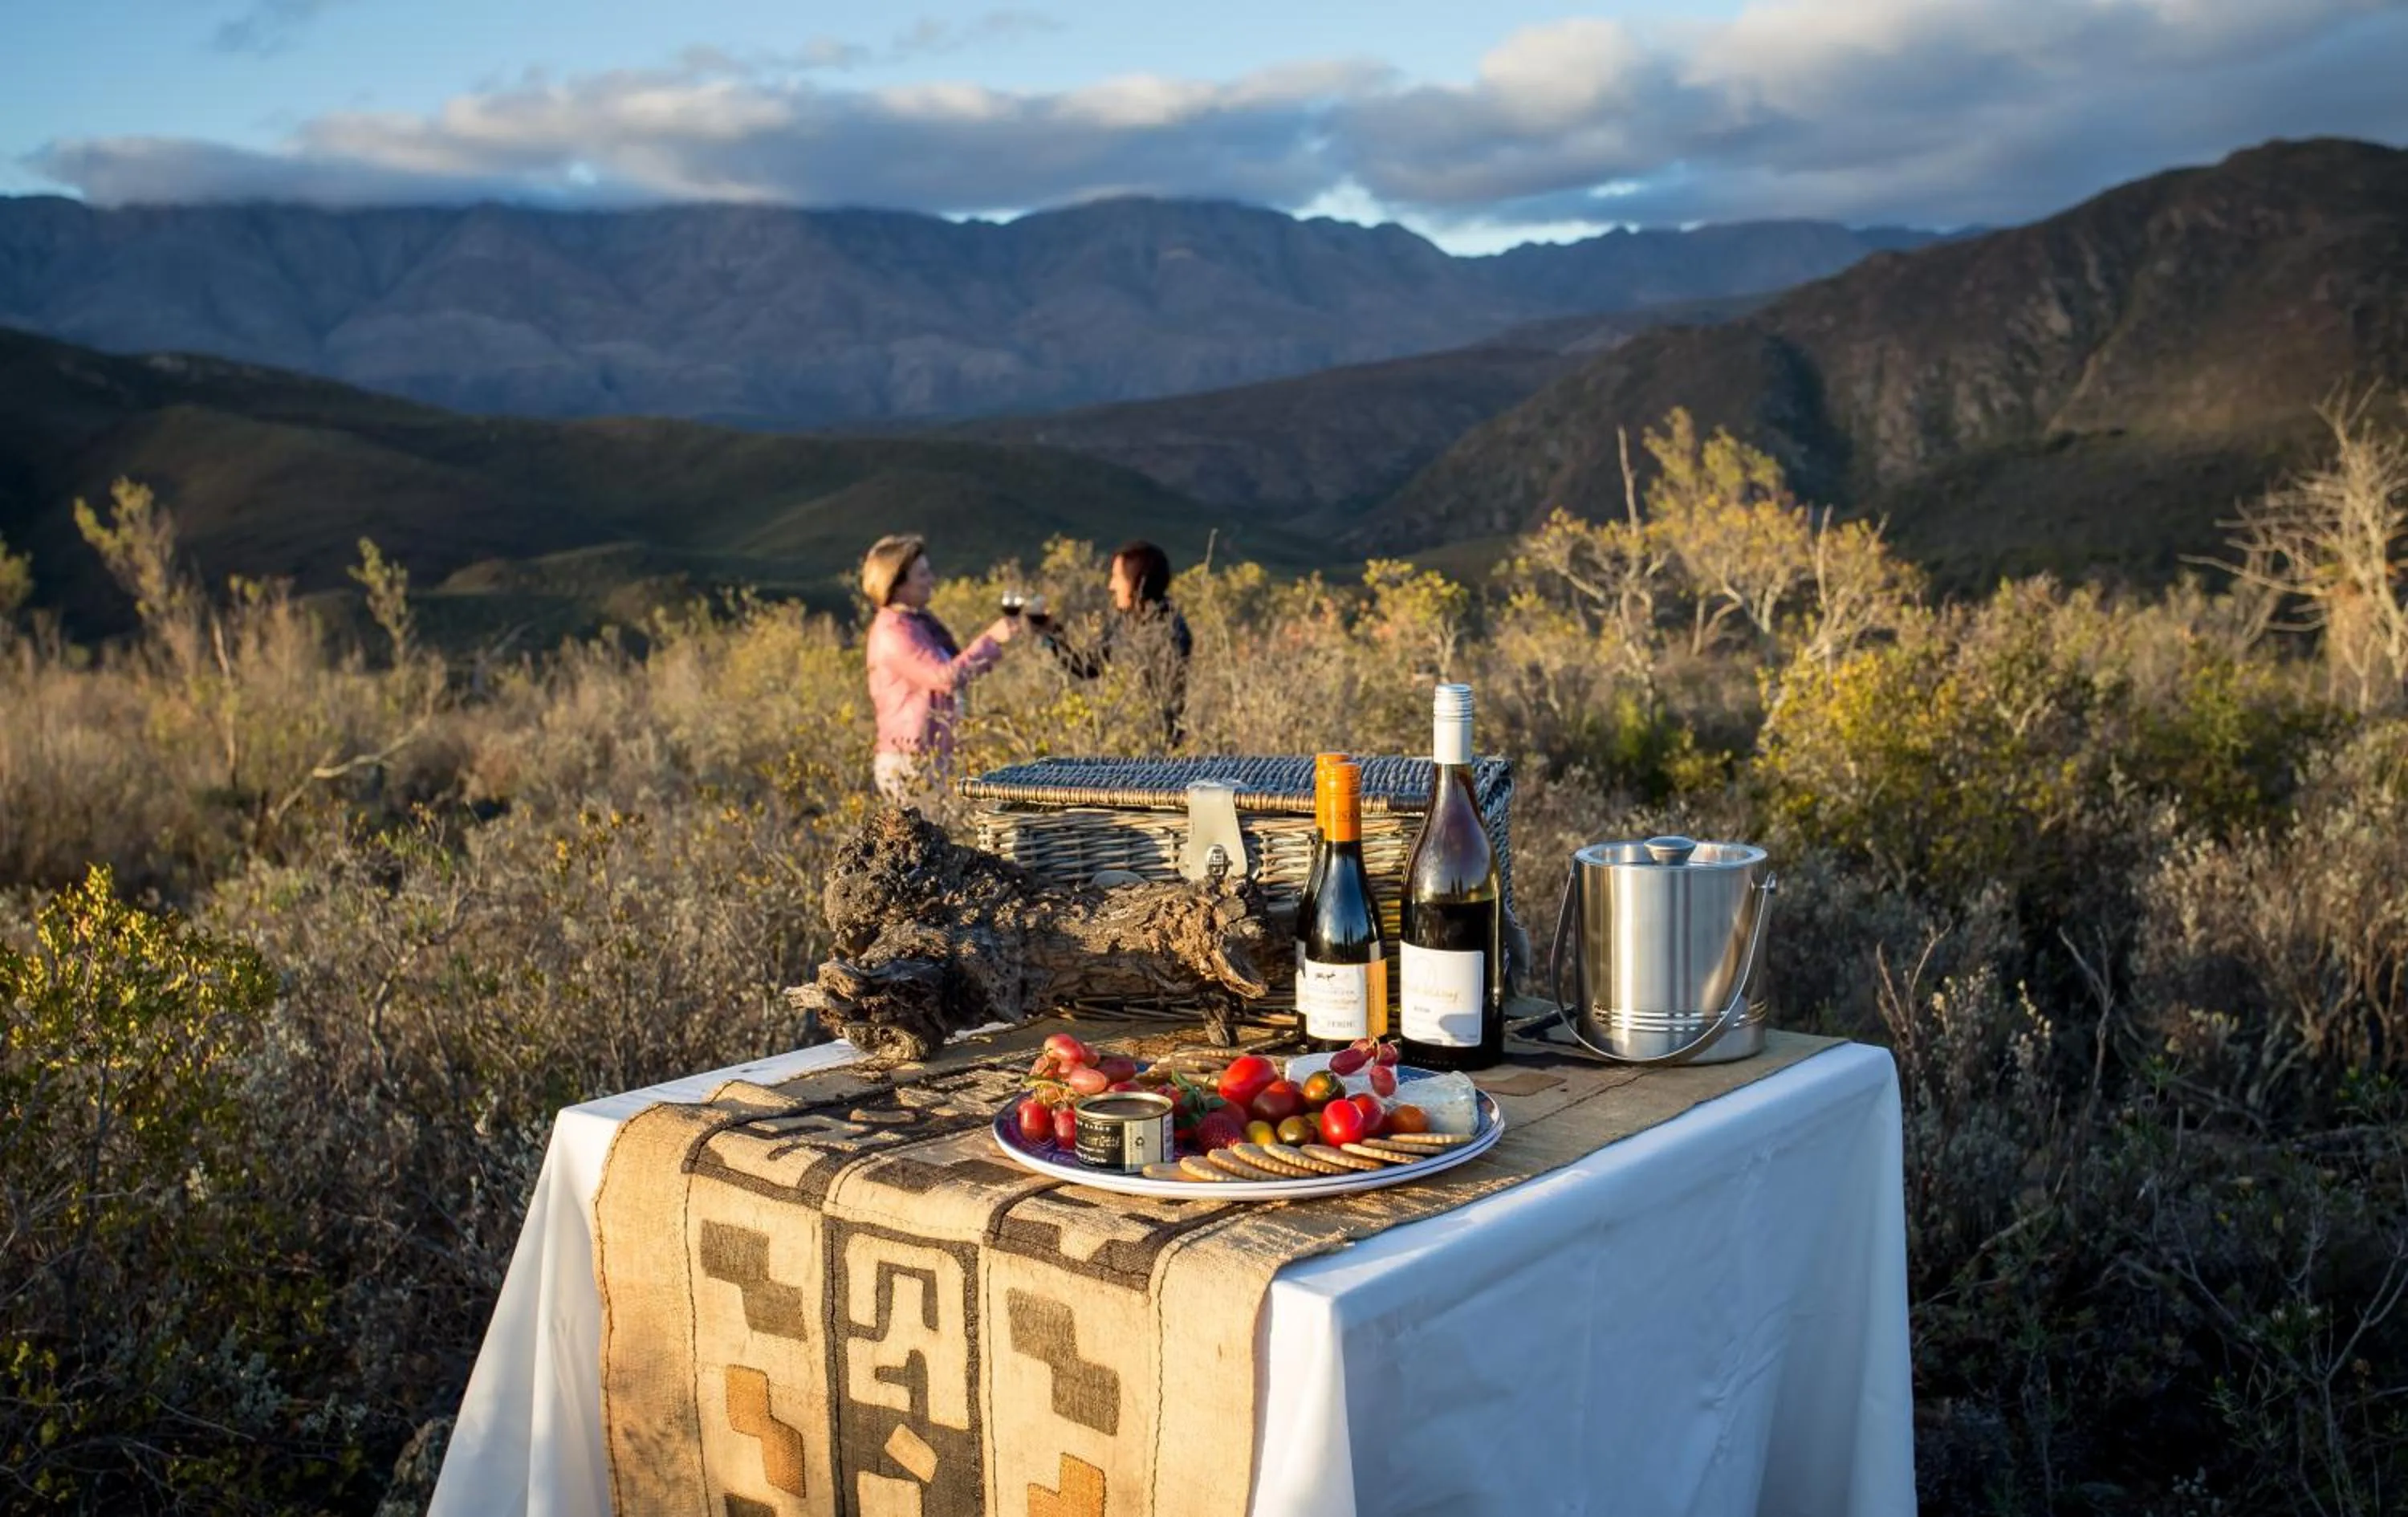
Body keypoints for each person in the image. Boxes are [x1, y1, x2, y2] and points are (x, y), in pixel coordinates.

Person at [860, 533, 1022, 805]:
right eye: (922, 574)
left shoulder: (917, 623)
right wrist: (992, 640)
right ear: (896, 584)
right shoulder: (894, 631)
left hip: (930, 757)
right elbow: (945, 677)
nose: (932, 579)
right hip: (909, 762)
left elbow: (955, 669)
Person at [1038, 539, 1194, 746]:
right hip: (1120, 739)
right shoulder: (1123, 620)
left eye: (1117, 578)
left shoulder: (1168, 632)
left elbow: (1167, 702)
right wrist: (1053, 634)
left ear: (1139, 581)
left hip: (1150, 747)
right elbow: (1089, 667)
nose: (1111, 586)